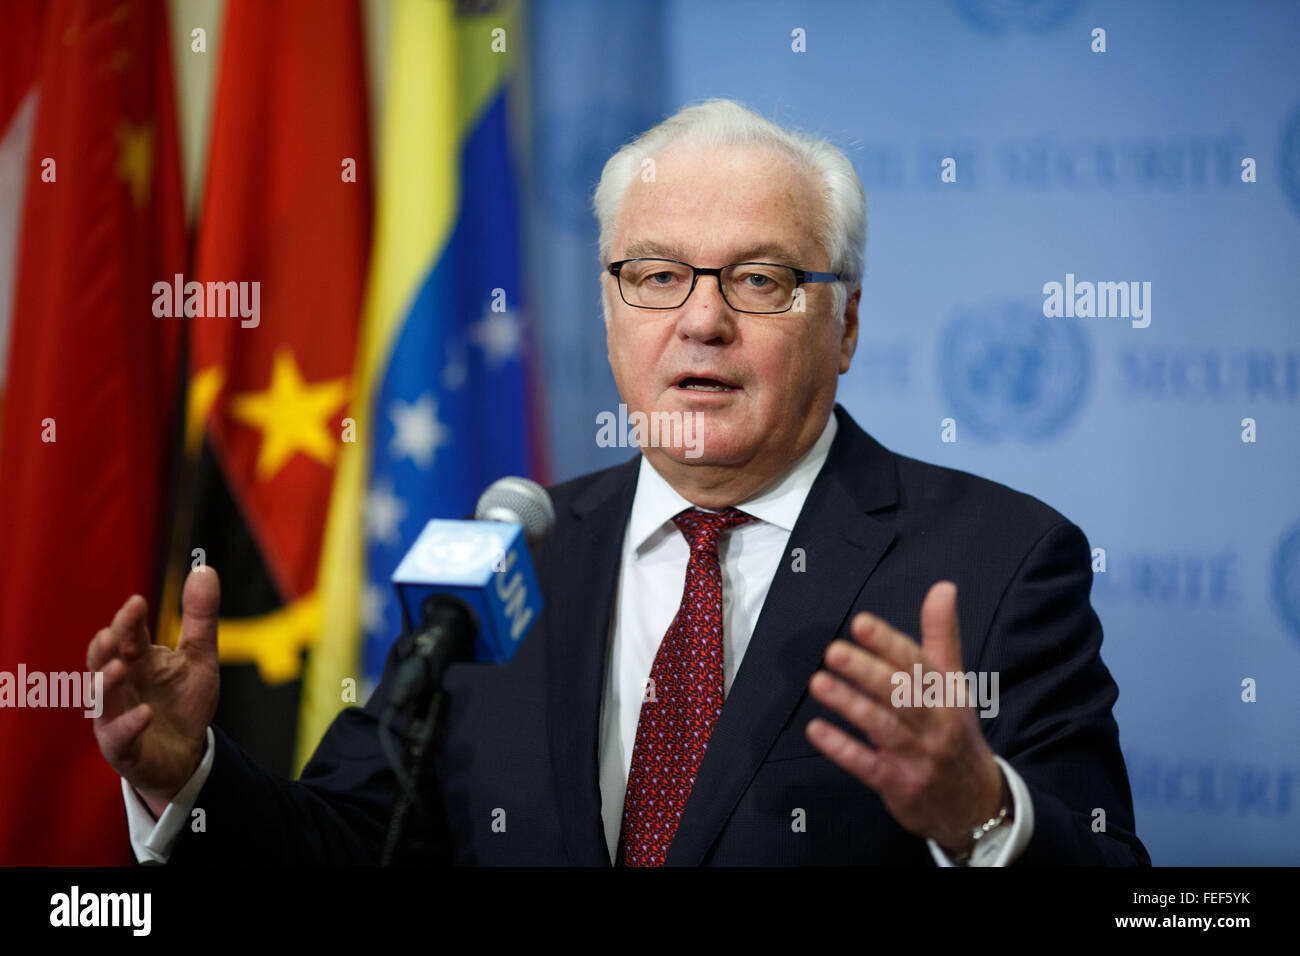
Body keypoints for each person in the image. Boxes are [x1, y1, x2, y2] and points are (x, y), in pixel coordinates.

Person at [89, 99, 1149, 866]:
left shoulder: (999, 563)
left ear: (847, 326)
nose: (700, 319)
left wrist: (980, 815)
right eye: (655, 275)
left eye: (760, 278)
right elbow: (357, 841)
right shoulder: (507, 553)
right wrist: (189, 780)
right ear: (609, 315)